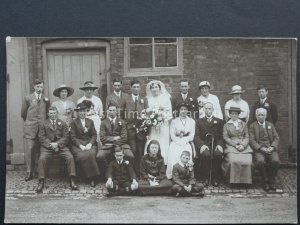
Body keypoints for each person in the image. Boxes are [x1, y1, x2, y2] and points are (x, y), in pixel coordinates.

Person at [36, 107, 78, 193]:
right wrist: (51, 145)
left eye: (54, 113)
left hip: (61, 146)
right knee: (42, 159)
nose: (53, 115)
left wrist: (58, 144)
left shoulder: (62, 123)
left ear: (57, 113)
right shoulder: (43, 124)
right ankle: (41, 181)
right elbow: (41, 137)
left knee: (70, 157)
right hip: (47, 147)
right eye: (51, 113)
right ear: (48, 114)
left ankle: (72, 179)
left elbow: (66, 137)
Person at [21, 79, 50, 181]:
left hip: (42, 128)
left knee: (40, 150)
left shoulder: (46, 98)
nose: (39, 89)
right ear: (34, 86)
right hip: (31, 128)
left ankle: (39, 171)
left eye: (41, 87)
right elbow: (23, 113)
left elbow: (47, 112)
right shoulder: (28, 98)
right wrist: (30, 122)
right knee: (30, 149)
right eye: (38, 87)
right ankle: (29, 172)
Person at [97, 103, 134, 177]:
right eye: (110, 110)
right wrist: (114, 138)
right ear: (107, 111)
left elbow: (124, 137)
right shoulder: (103, 123)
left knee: (130, 156)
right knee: (99, 156)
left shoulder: (122, 122)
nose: (112, 112)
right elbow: (102, 138)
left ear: (117, 111)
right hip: (107, 146)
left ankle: (125, 173)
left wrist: (115, 143)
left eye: (114, 110)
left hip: (121, 145)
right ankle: (108, 173)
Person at [69, 102, 100, 187]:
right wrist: (80, 146)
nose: (82, 113)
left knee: (91, 154)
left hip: (89, 142)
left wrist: (90, 144)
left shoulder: (90, 121)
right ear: (77, 112)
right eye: (80, 111)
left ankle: (93, 178)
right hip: (78, 144)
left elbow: (94, 134)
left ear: (86, 112)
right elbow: (73, 137)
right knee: (81, 156)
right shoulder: (73, 122)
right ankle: (85, 177)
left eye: (84, 111)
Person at [194, 102, 224, 187]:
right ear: (203, 110)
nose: (208, 110)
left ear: (213, 110)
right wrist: (202, 145)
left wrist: (220, 145)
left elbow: (222, 136)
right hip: (205, 145)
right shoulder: (199, 122)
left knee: (218, 154)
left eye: (209, 108)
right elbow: (196, 136)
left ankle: (215, 177)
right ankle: (205, 177)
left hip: (215, 145)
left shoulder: (219, 121)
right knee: (206, 154)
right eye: (206, 109)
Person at [249, 108, 280, 191]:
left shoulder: (270, 125)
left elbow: (276, 138)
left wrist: (272, 147)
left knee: (276, 161)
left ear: (265, 116)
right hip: (259, 150)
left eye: (262, 115)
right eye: (259, 115)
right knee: (260, 161)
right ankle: (265, 181)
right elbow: (251, 140)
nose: (261, 117)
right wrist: (261, 148)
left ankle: (271, 180)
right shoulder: (252, 126)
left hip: (270, 148)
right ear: (256, 116)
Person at [221, 107, 253, 186]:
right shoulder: (226, 125)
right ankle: (233, 182)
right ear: (230, 114)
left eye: (236, 114)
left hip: (243, 146)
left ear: (238, 115)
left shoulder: (243, 124)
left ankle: (245, 182)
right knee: (233, 161)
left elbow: (247, 136)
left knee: (248, 162)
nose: (234, 115)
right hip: (231, 146)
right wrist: (235, 145)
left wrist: (243, 145)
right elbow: (226, 137)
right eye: (232, 114)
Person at [144, 80, 173, 164]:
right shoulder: (149, 100)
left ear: (160, 88)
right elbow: (147, 112)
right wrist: (152, 119)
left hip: (163, 125)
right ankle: (151, 163)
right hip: (153, 126)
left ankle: (163, 163)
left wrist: (162, 118)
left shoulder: (165, 99)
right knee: (152, 141)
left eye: (156, 87)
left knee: (163, 143)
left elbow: (169, 113)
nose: (154, 89)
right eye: (152, 88)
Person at [124, 80, 148, 176]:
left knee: (140, 151)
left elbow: (147, 113)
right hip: (130, 129)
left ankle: (140, 173)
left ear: (140, 88)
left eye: (138, 87)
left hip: (141, 129)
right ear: (131, 88)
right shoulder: (127, 99)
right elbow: (122, 115)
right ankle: (131, 172)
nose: (136, 89)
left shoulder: (144, 100)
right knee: (132, 150)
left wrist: (144, 125)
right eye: (134, 87)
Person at [166, 103, 195, 179]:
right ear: (179, 111)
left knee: (186, 152)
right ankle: (173, 175)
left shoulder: (192, 121)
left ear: (187, 111)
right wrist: (178, 141)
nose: (183, 111)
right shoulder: (174, 121)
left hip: (186, 142)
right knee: (173, 152)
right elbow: (172, 135)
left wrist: (185, 140)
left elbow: (191, 135)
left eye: (185, 109)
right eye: (181, 109)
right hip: (176, 142)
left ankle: (186, 175)